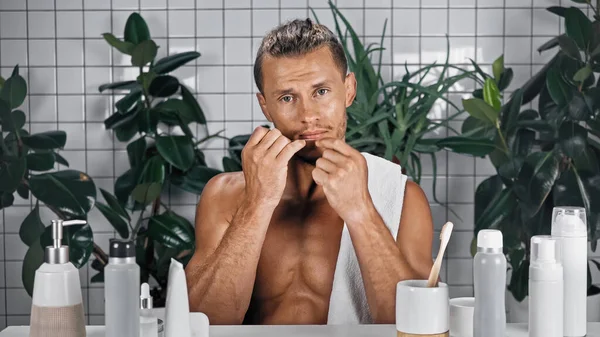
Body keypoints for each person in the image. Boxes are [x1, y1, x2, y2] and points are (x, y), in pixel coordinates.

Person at [184, 18, 434, 325]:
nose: (308, 116)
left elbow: (419, 323)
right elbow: (200, 322)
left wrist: (361, 211)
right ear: (265, 107)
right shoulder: (225, 195)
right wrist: (257, 204)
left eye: (321, 91)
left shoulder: (403, 197)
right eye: (287, 98)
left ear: (349, 90)